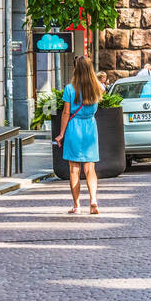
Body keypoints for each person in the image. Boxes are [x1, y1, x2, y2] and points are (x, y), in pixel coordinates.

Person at [56, 55, 104, 216]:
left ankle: (77, 205)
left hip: (74, 128)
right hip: (90, 127)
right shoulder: (97, 87)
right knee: (90, 169)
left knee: (74, 169)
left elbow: (66, 112)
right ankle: (93, 200)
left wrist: (61, 134)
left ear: (75, 69)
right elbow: (102, 92)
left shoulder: (70, 89)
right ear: (91, 69)